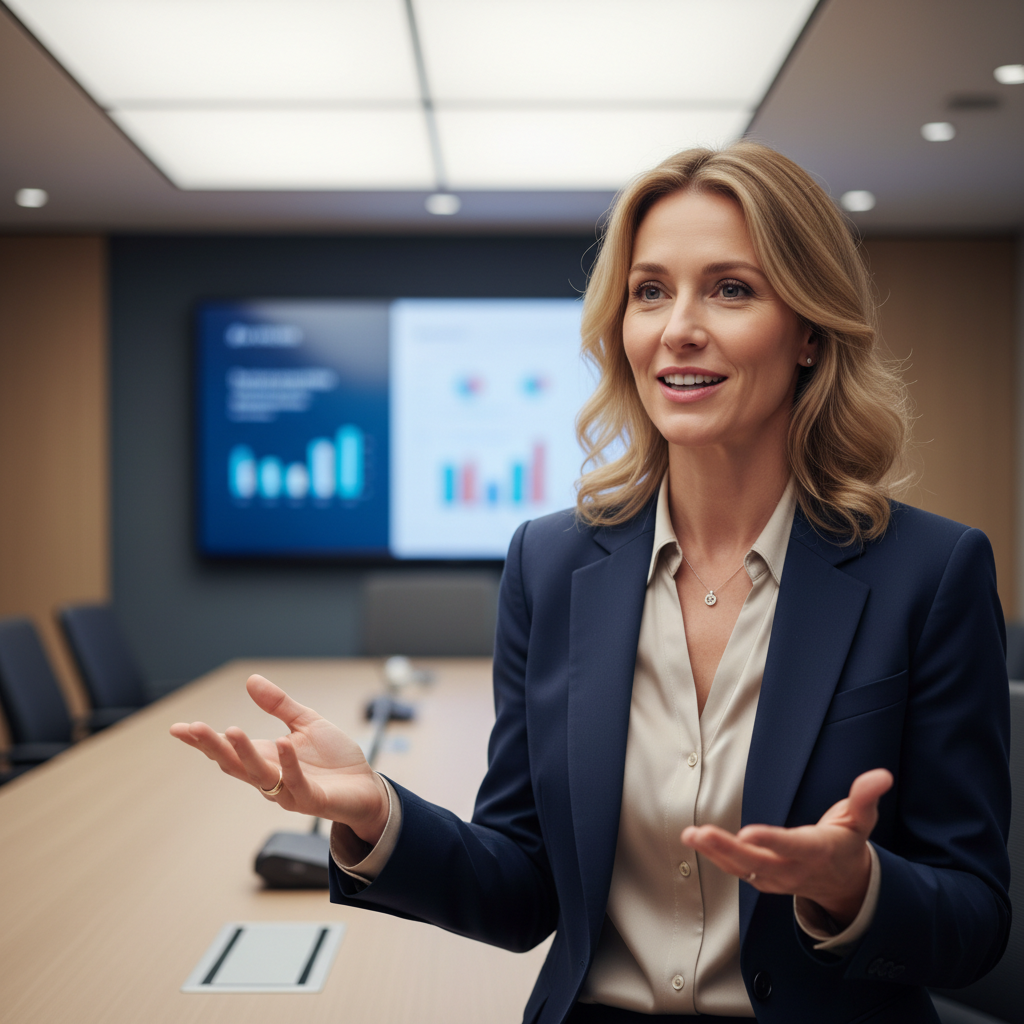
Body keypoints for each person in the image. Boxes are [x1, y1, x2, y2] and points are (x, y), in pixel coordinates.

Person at [171, 142, 1011, 1024]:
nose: (678, 326)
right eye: (650, 291)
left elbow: (978, 921)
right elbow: (524, 889)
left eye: (731, 288)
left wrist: (858, 887)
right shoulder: (550, 565)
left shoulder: (930, 573)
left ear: (808, 329)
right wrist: (379, 815)